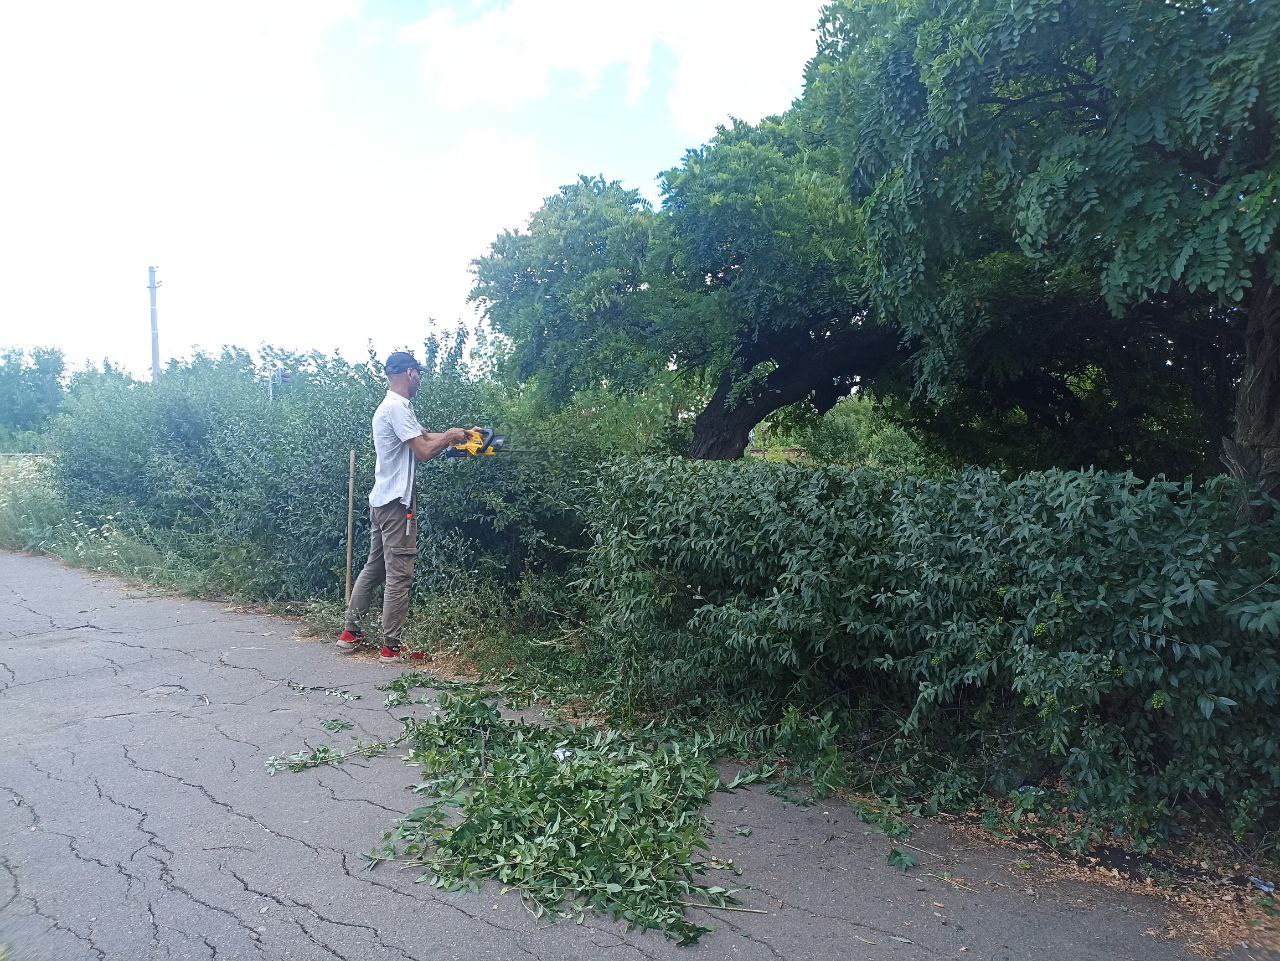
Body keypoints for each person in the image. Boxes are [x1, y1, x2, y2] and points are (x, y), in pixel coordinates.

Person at [337, 351, 470, 663]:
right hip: (397, 506)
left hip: (381, 501)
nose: (420, 379)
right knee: (400, 575)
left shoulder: (393, 407)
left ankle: (350, 633)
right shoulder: (397, 407)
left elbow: (423, 436)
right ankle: (391, 648)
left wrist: (458, 438)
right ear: (409, 373)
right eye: (418, 373)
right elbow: (424, 451)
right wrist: (449, 436)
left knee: (375, 568)